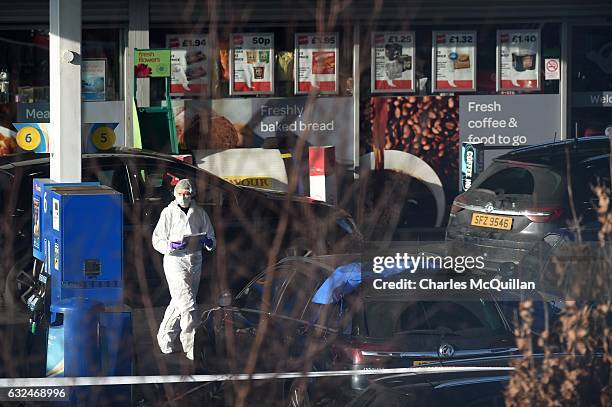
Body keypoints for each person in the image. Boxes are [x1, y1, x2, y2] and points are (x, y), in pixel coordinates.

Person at [152, 178, 216, 360]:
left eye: (187, 193)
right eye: (180, 193)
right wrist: (171, 246)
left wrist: (208, 242)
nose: (184, 196)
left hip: (195, 260)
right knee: (188, 304)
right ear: (175, 194)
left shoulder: (200, 212)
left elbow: (211, 236)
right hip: (174, 262)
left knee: (180, 303)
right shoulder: (168, 213)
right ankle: (191, 346)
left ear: (192, 193)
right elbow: (157, 239)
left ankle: (164, 339)